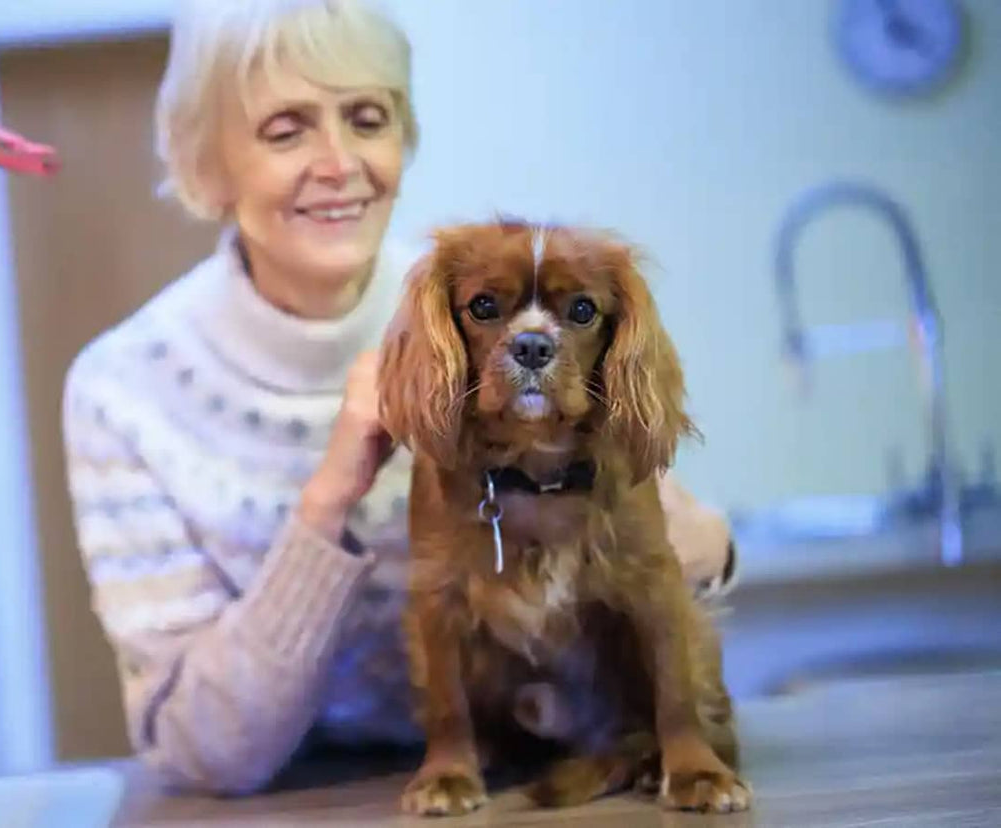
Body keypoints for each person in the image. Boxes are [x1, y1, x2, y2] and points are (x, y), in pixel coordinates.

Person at [62, 0, 736, 795]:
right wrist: (331, 496)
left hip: (548, 785)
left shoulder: (478, 296)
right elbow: (202, 752)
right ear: (210, 162)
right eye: (286, 129)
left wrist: (707, 545)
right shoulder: (123, 390)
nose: (339, 161)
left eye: (367, 117)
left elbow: (671, 578)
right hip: (296, 803)